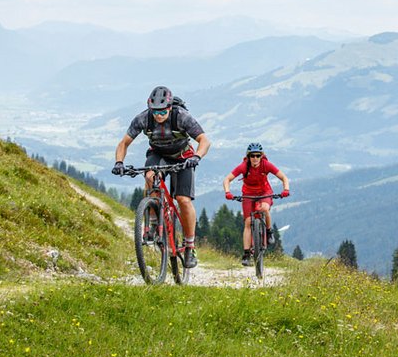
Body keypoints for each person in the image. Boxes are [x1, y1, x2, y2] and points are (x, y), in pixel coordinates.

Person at [112, 86, 210, 268]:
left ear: (170, 107)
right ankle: (153, 221)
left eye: (162, 111)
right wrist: (119, 162)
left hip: (183, 156)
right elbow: (124, 143)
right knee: (150, 177)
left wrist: (197, 156)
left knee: (183, 199)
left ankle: (190, 246)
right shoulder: (143, 118)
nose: (158, 115)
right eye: (155, 111)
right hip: (158, 154)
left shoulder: (181, 116)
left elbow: (204, 140)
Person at [223, 142, 290, 266]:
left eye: (257, 155)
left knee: (265, 209)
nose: (255, 158)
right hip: (248, 193)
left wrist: (286, 189)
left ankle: (269, 232)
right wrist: (227, 192)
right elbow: (227, 179)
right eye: (252, 156)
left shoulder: (266, 165)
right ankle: (247, 254)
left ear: (261, 156)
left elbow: (284, 177)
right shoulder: (244, 166)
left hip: (265, 191)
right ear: (248, 157)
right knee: (248, 222)